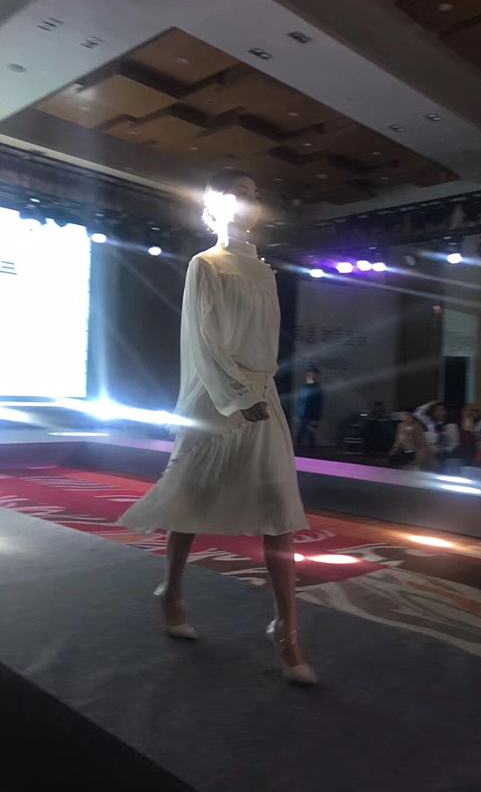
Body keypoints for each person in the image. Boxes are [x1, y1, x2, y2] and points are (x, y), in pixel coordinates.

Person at [119, 170, 316, 685]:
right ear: (214, 204)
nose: (249, 200)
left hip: (262, 396)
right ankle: (172, 591)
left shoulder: (265, 271)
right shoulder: (204, 264)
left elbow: (265, 344)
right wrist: (238, 395)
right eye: (238, 192)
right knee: (192, 498)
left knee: (279, 508)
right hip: (216, 396)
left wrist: (258, 392)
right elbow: (205, 339)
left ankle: (287, 630)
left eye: (254, 193)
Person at [415, 400, 459, 470]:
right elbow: (418, 413)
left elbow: (454, 444)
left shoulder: (451, 426)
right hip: (430, 453)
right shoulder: (430, 424)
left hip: (445, 454)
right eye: (436, 411)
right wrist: (429, 404)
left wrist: (442, 450)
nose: (439, 413)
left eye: (442, 410)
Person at [295, 368, 323, 455]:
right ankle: (297, 453)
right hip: (303, 415)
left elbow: (318, 405)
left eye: (314, 376)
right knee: (300, 435)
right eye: (310, 376)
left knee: (311, 437)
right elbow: (301, 402)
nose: (311, 378)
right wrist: (298, 414)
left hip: (312, 417)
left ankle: (311, 454)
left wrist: (316, 418)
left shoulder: (318, 389)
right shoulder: (304, 388)